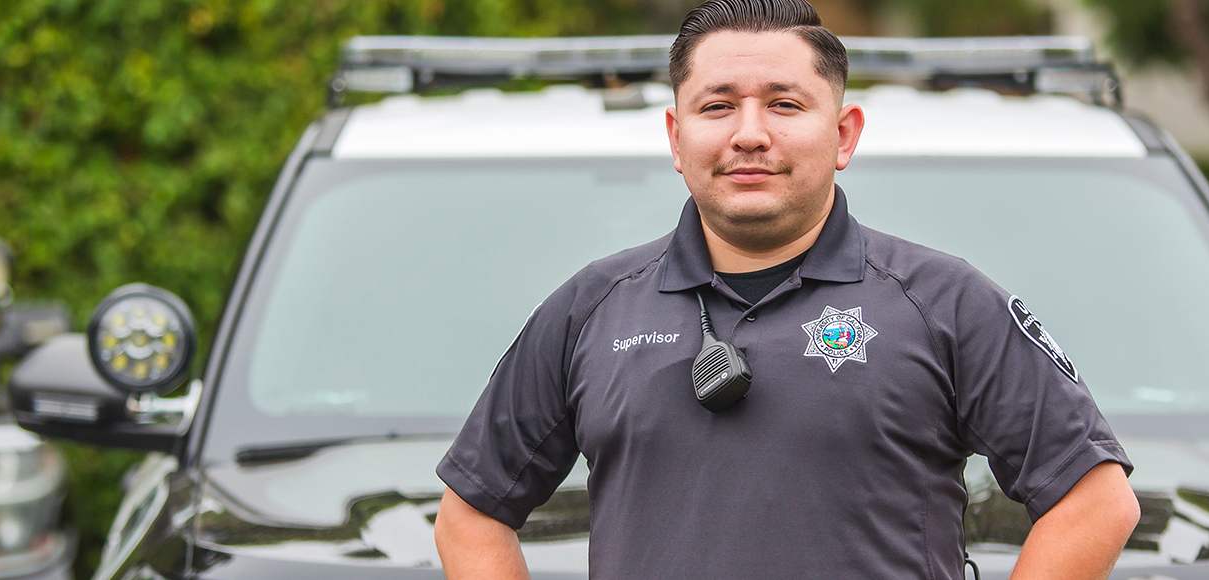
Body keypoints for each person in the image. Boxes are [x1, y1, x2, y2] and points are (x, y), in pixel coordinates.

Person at [433, 0, 1139, 578]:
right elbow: (470, 516)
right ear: (677, 140)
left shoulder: (943, 304)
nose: (749, 134)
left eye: (784, 104)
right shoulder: (591, 309)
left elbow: (1096, 502)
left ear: (843, 134)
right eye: (717, 107)